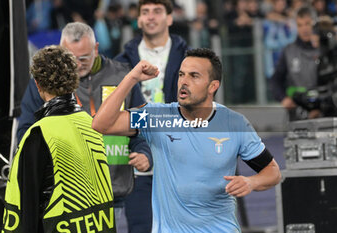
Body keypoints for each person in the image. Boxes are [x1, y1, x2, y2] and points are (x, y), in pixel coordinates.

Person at [92, 48, 282, 232]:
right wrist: (131, 78)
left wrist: (250, 182)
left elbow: (273, 172)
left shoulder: (234, 124)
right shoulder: (157, 117)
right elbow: (102, 124)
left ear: (213, 86)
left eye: (194, 76)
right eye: (182, 74)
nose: (184, 81)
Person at [17, 22, 152, 233]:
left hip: (115, 198)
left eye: (84, 58)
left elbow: (143, 125)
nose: (77, 64)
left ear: (96, 49)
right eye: (71, 58)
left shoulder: (123, 78)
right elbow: (26, 132)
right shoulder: (44, 83)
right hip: (64, 200)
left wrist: (144, 152)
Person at [2, 45, 116, 232]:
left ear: (38, 84)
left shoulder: (39, 134)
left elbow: (24, 208)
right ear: (74, 80)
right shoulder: (90, 123)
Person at [115, 1, 189, 231]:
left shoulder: (190, 59)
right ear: (138, 19)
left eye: (157, 11)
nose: (150, 17)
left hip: (179, 162)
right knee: (141, 227)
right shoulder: (121, 64)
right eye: (145, 12)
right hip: (137, 163)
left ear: (169, 18)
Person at [271, 7, 320, 120]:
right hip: (298, 113)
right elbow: (275, 80)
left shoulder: (325, 49)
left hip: (323, 111)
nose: (304, 29)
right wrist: (283, 98)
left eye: (307, 24)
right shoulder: (289, 51)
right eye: (300, 25)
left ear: (315, 23)